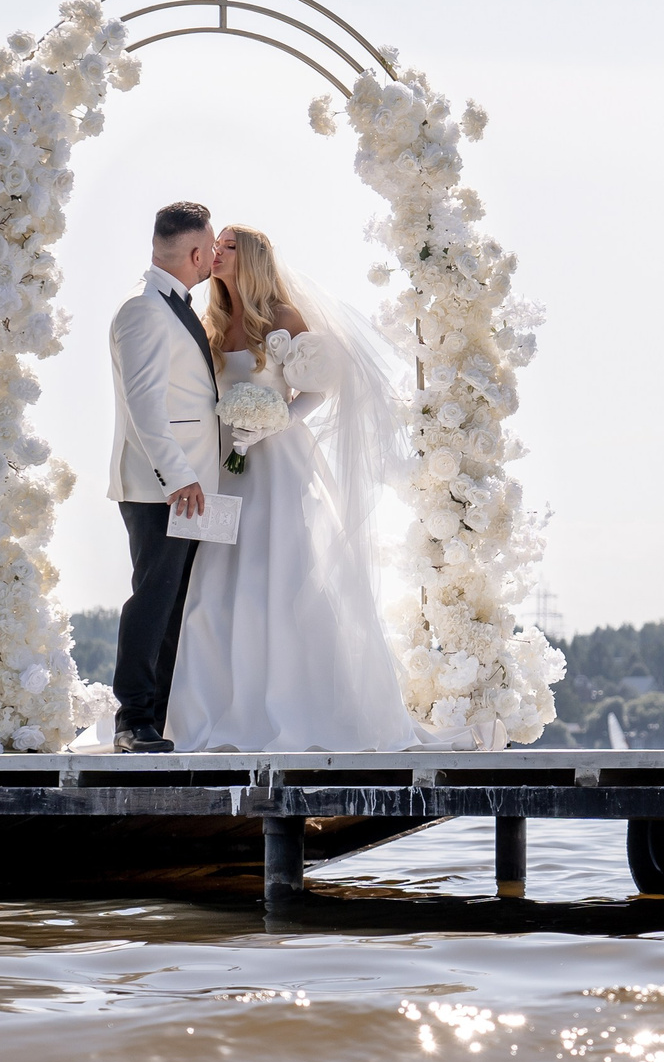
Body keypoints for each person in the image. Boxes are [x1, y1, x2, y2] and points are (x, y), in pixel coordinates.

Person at [163, 224, 429, 753]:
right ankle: (210, 711)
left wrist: (276, 421)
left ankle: (295, 707)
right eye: (215, 246)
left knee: (280, 572)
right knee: (214, 583)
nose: (216, 253)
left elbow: (320, 386)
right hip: (222, 464)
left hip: (276, 461)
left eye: (228, 246)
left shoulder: (283, 319)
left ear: (252, 256)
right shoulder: (209, 323)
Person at [106, 202, 221, 752]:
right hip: (163, 488)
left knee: (175, 604)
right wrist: (177, 477)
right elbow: (144, 405)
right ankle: (132, 719)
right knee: (153, 599)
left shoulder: (170, 305)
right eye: (212, 247)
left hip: (187, 486)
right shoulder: (143, 310)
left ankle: (157, 717)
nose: (215, 256)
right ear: (195, 253)